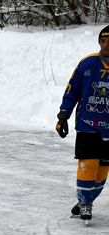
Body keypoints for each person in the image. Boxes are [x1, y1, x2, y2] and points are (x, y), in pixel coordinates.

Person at [57, 24, 109, 222]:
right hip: (88, 124)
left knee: (102, 170)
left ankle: (84, 200)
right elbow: (72, 91)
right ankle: (86, 204)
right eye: (103, 41)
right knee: (88, 164)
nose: (106, 45)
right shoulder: (87, 63)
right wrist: (63, 115)